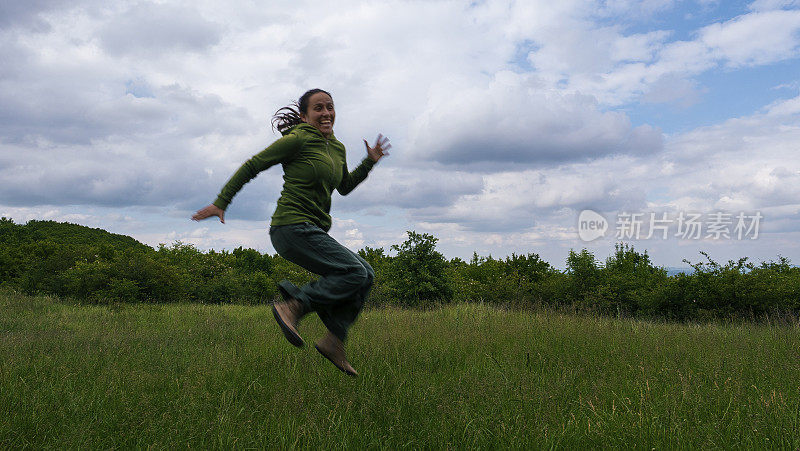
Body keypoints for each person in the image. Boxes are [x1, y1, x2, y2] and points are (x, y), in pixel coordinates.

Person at [192, 89, 390, 376]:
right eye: (318, 108)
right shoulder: (297, 140)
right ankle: (293, 307)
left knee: (365, 274)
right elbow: (253, 165)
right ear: (304, 116)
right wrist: (222, 202)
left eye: (330, 107)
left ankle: (334, 340)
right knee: (354, 272)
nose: (326, 113)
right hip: (290, 227)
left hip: (312, 230)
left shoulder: (337, 148)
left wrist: (369, 162)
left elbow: (344, 186)